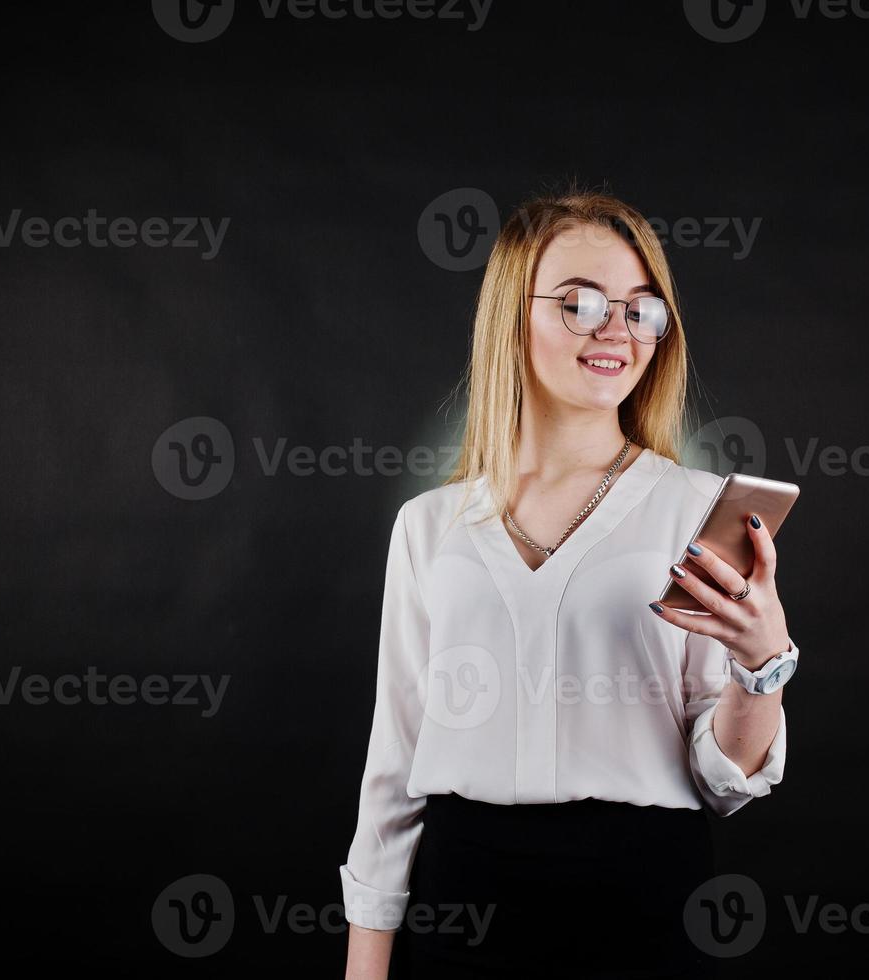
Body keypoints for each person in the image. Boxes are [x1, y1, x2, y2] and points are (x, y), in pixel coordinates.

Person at [340, 185, 801, 979]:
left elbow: (722, 779)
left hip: (644, 908)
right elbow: (394, 764)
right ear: (510, 315)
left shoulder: (694, 510)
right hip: (463, 903)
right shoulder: (428, 526)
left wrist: (763, 668)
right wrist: (365, 966)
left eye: (639, 307)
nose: (616, 331)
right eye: (581, 303)